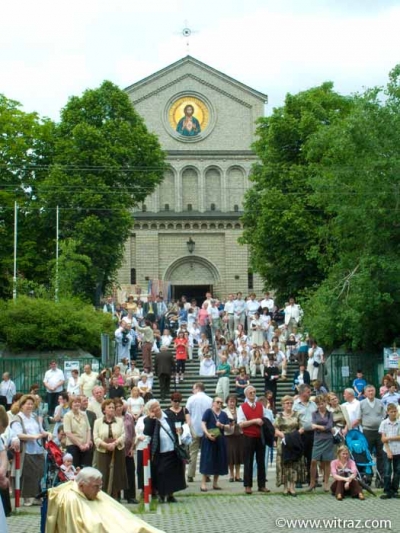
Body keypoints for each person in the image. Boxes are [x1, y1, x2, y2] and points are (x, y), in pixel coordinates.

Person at [45, 467, 165, 533]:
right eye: (96, 487)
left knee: (135, 526)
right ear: (81, 486)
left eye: (100, 486)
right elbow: (76, 528)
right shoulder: (71, 499)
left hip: (119, 526)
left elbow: (119, 513)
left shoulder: (95, 492)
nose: (99, 490)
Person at [11, 394, 52, 506]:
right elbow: (18, 434)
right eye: (27, 404)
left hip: (38, 449)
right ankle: (26, 497)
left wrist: (47, 433)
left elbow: (41, 430)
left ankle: (36, 496)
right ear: (22, 405)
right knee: (28, 474)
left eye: (31, 404)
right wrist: (33, 437)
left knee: (38, 473)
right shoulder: (17, 418)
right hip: (27, 450)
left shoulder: (34, 417)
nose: (29, 406)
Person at [143, 399, 186, 503]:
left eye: (157, 406)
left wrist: (180, 430)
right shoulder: (149, 420)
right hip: (159, 451)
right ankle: (161, 494)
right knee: (161, 472)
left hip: (172, 448)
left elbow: (178, 426)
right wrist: (151, 419)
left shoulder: (169, 415)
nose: (157, 409)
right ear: (150, 410)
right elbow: (147, 432)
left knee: (173, 473)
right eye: (154, 408)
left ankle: (170, 494)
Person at [237, 385, 272, 495]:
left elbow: (265, 418)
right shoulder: (242, 407)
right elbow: (241, 424)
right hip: (248, 436)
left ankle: (262, 485)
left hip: (259, 436)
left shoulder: (260, 406)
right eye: (251, 392)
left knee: (261, 461)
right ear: (246, 394)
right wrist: (254, 421)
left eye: (254, 392)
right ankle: (248, 485)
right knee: (248, 461)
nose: (253, 394)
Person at [93, 399, 127, 499]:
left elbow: (124, 435)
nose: (112, 409)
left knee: (117, 475)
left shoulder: (120, 421)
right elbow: (95, 437)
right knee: (104, 474)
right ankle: (103, 497)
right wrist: (105, 445)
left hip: (117, 451)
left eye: (113, 407)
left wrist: (115, 443)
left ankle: (116, 498)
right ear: (104, 410)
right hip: (103, 452)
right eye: (109, 407)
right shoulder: (97, 422)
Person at [274, 395, 305, 496]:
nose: (289, 405)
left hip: (294, 441)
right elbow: (275, 429)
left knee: (294, 463)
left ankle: (292, 487)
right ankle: (285, 487)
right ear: (283, 405)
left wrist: (293, 436)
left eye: (291, 403)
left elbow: (302, 428)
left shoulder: (297, 414)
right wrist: (284, 436)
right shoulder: (279, 416)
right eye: (287, 403)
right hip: (283, 441)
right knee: (284, 463)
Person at [200, 397, 231, 491]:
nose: (219, 404)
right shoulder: (208, 412)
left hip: (220, 440)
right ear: (213, 403)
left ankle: (215, 483)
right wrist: (207, 434)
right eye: (217, 402)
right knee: (207, 460)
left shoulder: (224, 414)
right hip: (209, 439)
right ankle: (203, 483)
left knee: (219, 460)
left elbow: (229, 427)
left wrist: (221, 425)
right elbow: (203, 423)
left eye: (221, 402)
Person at [186, 383, 213, 482]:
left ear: (197, 388)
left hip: (194, 428)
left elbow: (187, 413)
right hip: (206, 428)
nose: (192, 390)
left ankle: (190, 474)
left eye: (193, 388)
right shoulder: (210, 400)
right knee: (206, 452)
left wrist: (188, 425)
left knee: (193, 452)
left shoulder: (191, 399)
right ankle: (207, 474)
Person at [357, 384, 385, 482]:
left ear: (375, 391)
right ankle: (369, 476)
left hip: (379, 432)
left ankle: (381, 477)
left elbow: (383, 416)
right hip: (367, 431)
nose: (371, 393)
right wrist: (366, 425)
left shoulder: (380, 402)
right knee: (367, 454)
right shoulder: (362, 403)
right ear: (365, 393)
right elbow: (359, 418)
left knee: (380, 454)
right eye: (368, 391)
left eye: (372, 390)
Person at [114, 398, 139, 504]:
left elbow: (133, 434)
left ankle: (130, 496)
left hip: (128, 449)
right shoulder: (112, 419)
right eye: (116, 406)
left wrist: (133, 448)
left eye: (120, 405)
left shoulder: (128, 417)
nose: (119, 408)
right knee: (118, 473)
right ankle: (117, 496)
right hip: (117, 449)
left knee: (130, 472)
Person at [308, 395, 334, 492]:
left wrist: (318, 427)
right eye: (318, 404)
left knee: (327, 461)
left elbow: (329, 426)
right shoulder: (314, 413)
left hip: (328, 439)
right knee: (314, 460)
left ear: (326, 403)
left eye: (322, 403)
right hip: (318, 439)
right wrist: (324, 428)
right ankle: (312, 482)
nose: (320, 405)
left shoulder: (330, 414)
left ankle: (326, 482)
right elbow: (312, 425)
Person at [293, 384, 317, 486]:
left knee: (311, 457)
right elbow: (293, 419)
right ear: (302, 393)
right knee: (299, 457)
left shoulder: (313, 404)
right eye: (308, 392)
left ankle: (311, 479)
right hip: (300, 434)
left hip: (312, 433)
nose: (310, 393)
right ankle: (298, 480)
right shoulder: (295, 405)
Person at [63, 396, 92, 468]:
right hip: (73, 446)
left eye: (78, 402)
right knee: (75, 469)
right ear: (71, 404)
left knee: (86, 468)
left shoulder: (84, 414)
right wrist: (80, 445)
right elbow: (68, 433)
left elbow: (88, 429)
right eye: (75, 402)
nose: (77, 404)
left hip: (85, 446)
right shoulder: (67, 416)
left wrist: (87, 443)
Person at [379, 403, 400, 499]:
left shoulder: (399, 422)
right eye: (391, 412)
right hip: (387, 450)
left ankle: (394, 489)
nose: (394, 413)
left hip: (398, 450)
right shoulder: (384, 423)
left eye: (395, 411)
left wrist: (389, 437)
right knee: (387, 471)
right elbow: (383, 439)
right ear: (388, 412)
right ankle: (387, 490)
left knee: (398, 471)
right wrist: (388, 451)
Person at [223, 394, 244, 482]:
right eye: (230, 401)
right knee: (230, 456)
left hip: (239, 434)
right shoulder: (224, 411)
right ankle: (231, 475)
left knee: (238, 455)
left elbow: (243, 420)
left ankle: (238, 475)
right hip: (229, 435)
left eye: (233, 401)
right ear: (227, 402)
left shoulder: (240, 410)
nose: (232, 403)